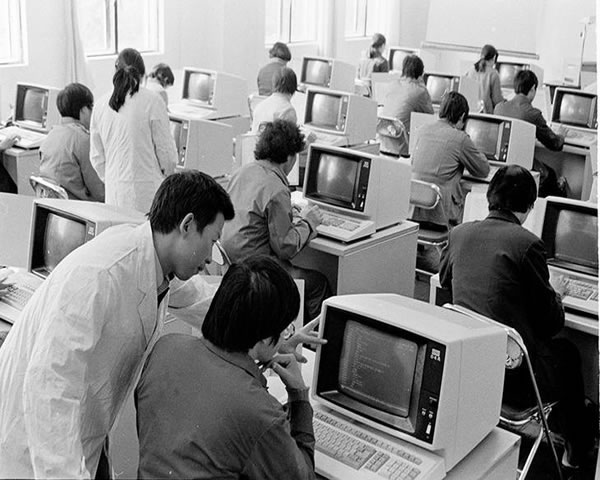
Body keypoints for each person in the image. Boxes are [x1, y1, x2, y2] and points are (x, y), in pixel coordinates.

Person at [0, 170, 235, 478]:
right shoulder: (101, 276)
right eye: (212, 241)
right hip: (31, 445)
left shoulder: (153, 263)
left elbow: (200, 300)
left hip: (81, 432)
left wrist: (266, 329)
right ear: (187, 225)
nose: (211, 258)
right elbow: (49, 388)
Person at [439, 165, 595, 470]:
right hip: (516, 382)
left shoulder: (459, 234)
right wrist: (556, 293)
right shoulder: (527, 244)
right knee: (568, 353)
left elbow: (445, 281)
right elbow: (551, 323)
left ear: (490, 198)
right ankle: (576, 450)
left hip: (470, 369)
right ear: (528, 207)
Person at [136, 255, 320, 479]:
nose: (284, 336)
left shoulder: (165, 348)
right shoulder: (259, 412)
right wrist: (299, 397)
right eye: (285, 329)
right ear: (265, 336)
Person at [222, 119, 331, 322]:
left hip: (233, 265)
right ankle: (313, 340)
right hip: (259, 271)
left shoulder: (243, 172)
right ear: (289, 157)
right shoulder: (277, 188)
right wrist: (308, 222)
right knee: (318, 284)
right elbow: (285, 247)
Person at [90, 48, 178, 213]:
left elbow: (96, 157)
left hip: (115, 193)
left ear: (115, 71)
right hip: (148, 193)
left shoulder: (100, 105)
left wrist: (113, 178)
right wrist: (167, 175)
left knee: (119, 229)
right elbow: (166, 154)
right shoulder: (153, 101)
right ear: (142, 75)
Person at [411, 91, 490, 228]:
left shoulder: (421, 130)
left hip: (414, 213)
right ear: (462, 116)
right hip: (440, 217)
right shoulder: (460, 138)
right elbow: (483, 170)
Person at [494, 69, 567, 197]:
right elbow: (554, 144)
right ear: (533, 88)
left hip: (502, 163)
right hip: (521, 165)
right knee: (550, 175)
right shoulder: (533, 114)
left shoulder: (499, 107)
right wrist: (561, 135)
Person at [39, 82, 105, 202]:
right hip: (77, 207)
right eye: (91, 107)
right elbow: (99, 193)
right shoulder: (83, 140)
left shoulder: (51, 135)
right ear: (84, 110)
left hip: (54, 205)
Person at [381, 54, 434, 157]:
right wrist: (423, 86)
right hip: (403, 148)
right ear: (420, 73)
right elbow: (430, 117)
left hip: (384, 144)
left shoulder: (392, 84)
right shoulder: (420, 91)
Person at [252, 67, 299, 132]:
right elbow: (290, 138)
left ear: (274, 84)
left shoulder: (259, 106)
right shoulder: (287, 111)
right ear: (294, 87)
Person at [465, 44, 504, 113]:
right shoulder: (493, 74)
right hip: (486, 113)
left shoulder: (471, 71)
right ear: (494, 58)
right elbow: (497, 100)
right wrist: (505, 103)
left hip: (470, 112)